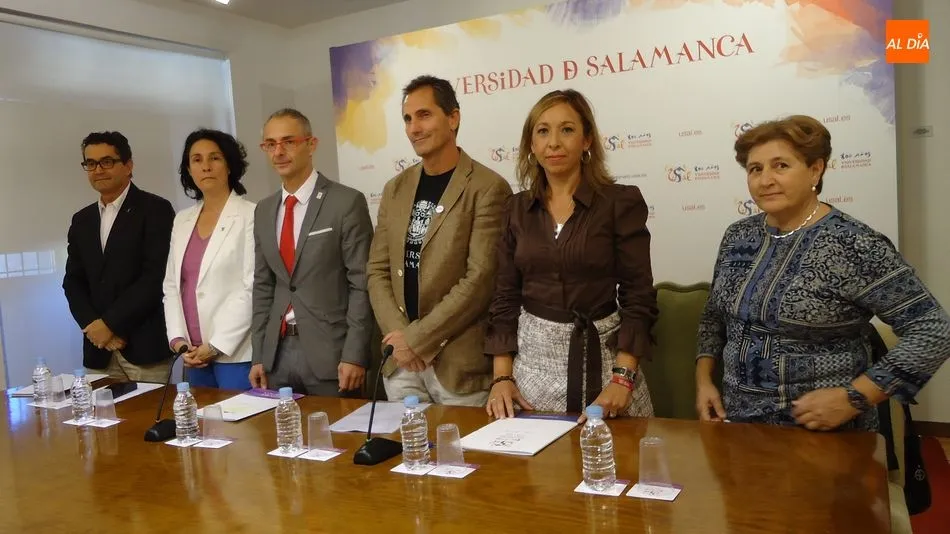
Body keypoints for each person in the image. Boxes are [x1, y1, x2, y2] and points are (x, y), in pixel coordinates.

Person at [695, 114, 950, 431]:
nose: (765, 180)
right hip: (741, 425)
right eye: (755, 169)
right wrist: (704, 380)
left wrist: (854, 398)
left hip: (825, 433)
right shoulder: (738, 236)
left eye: (781, 166)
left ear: (815, 169)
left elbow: (934, 330)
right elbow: (714, 316)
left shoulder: (854, 244)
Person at [484, 89, 657, 420]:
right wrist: (502, 377)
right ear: (531, 145)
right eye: (543, 131)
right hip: (533, 369)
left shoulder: (620, 202)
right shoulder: (516, 209)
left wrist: (624, 378)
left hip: (606, 364)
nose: (554, 143)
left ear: (587, 140)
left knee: (616, 466)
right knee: (541, 470)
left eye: (567, 130)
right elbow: (504, 298)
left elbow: (639, 297)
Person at [368, 75, 513, 406]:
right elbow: (377, 270)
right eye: (407, 118)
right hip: (401, 365)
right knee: (409, 456)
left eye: (424, 115)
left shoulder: (488, 187)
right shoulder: (394, 188)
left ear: (453, 117)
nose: (414, 128)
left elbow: (480, 281)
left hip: (457, 368)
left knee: (465, 458)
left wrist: (417, 339)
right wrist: (401, 341)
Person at [249, 108, 374, 396]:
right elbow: (263, 286)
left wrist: (355, 353)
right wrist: (259, 354)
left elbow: (361, 283)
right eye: (270, 144)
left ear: (311, 144)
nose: (278, 151)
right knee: (283, 440)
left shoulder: (345, 202)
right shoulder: (264, 210)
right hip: (276, 357)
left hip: (332, 355)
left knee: (337, 439)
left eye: (289, 141)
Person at [63, 131, 176, 382]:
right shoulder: (82, 220)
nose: (98, 169)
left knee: (148, 420)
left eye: (107, 161)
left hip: (144, 346)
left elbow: (155, 277)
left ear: (128, 165)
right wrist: (94, 327)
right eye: (90, 163)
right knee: (100, 421)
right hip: (98, 350)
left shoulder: (156, 209)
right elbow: (73, 282)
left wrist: (110, 325)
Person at [163, 129, 256, 390]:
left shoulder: (251, 214)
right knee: (201, 428)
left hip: (234, 352)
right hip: (192, 354)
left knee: (242, 429)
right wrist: (178, 341)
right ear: (189, 170)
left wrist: (215, 346)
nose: (206, 166)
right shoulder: (182, 220)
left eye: (214, 158)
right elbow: (172, 286)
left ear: (229, 165)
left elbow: (253, 286)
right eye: (197, 160)